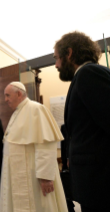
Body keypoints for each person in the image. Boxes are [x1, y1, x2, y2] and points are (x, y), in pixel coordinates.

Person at [54, 31, 110, 212]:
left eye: (56, 58)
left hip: (100, 183)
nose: (56, 65)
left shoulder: (88, 73)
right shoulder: (84, 75)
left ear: (69, 53)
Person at [0, 82, 67, 212]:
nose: (5, 99)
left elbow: (46, 146)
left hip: (34, 177)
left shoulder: (36, 109)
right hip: (17, 176)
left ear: (19, 94)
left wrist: (46, 177)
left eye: (7, 95)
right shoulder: (16, 113)